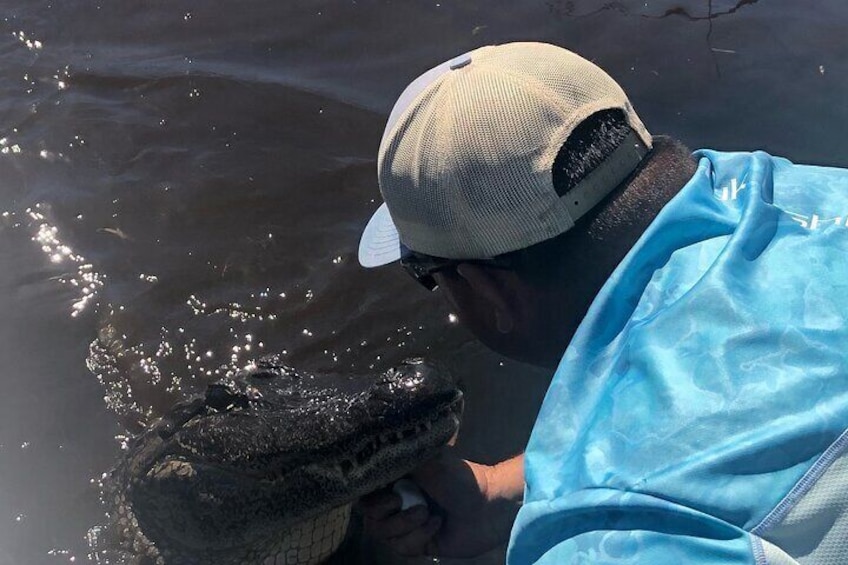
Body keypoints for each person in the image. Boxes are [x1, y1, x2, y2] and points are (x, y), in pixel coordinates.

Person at [357, 42, 848, 564]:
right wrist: (511, 491)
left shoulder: (613, 547)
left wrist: (571, 515)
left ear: (485, 288)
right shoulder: (799, 191)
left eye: (424, 274)